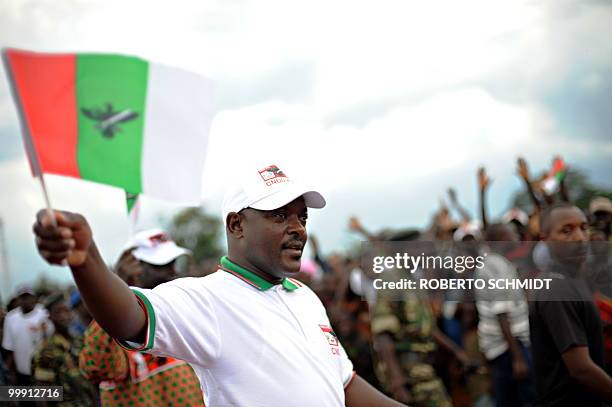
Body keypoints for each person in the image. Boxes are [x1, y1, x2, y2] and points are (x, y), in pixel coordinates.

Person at [32, 164, 406, 407]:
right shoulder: (206, 299)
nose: (298, 229)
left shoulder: (305, 297)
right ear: (236, 226)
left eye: (302, 217)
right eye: (279, 216)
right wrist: (87, 260)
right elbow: (129, 317)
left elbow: (345, 385)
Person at [79, 230, 204, 407]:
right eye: (162, 265)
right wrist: (115, 290)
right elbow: (97, 368)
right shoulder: (115, 326)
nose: (173, 271)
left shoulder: (182, 311)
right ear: (134, 269)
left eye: (173, 263)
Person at [529, 203, 612, 405]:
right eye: (566, 231)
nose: (579, 238)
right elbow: (581, 369)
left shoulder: (573, 279)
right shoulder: (556, 288)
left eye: (583, 228)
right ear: (545, 240)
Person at [475, 224, 535, 407]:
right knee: (524, 398)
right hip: (508, 347)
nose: (517, 237)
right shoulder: (496, 267)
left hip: (506, 346)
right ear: (501, 238)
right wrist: (518, 358)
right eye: (513, 234)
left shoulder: (496, 263)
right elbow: (502, 314)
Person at [32, 293, 97, 406]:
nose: (64, 316)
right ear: (50, 317)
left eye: (66, 311)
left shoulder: (78, 340)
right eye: (58, 312)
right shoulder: (48, 350)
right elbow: (42, 392)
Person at [1, 286, 52, 385]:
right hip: (23, 372)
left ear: (34, 298)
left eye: (28, 297)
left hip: (44, 370)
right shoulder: (11, 318)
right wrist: (11, 372)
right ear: (18, 299)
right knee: (28, 398)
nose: (26, 300)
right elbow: (10, 348)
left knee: (49, 396)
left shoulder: (44, 313)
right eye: (22, 297)